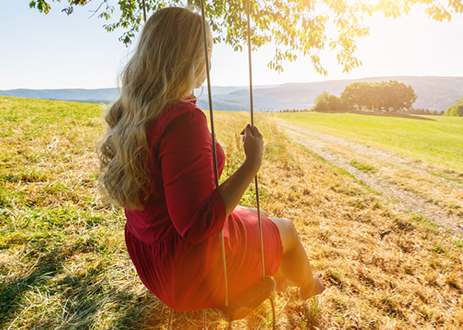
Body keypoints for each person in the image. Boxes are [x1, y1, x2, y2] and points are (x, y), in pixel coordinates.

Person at [97, 6, 324, 312]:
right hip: (190, 270)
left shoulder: (135, 110)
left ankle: (238, 295)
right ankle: (310, 286)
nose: (211, 61)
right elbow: (197, 226)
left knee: (254, 214)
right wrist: (251, 164)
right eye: (209, 51)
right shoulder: (182, 121)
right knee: (287, 229)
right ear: (193, 58)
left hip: (155, 263)